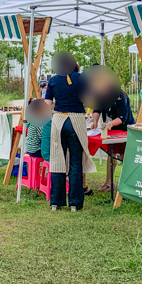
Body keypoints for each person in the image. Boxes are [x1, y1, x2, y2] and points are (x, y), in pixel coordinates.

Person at [44, 52, 96, 211]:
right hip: (77, 121)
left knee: (57, 161)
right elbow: (89, 101)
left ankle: (55, 202)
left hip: (59, 121)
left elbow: (47, 104)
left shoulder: (53, 80)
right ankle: (75, 203)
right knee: (75, 163)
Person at [90, 87, 134, 192]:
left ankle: (129, 184)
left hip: (124, 129)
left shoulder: (120, 96)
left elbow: (122, 117)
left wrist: (110, 123)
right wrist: (95, 121)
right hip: (111, 130)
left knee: (124, 155)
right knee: (111, 154)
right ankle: (108, 183)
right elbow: (96, 110)